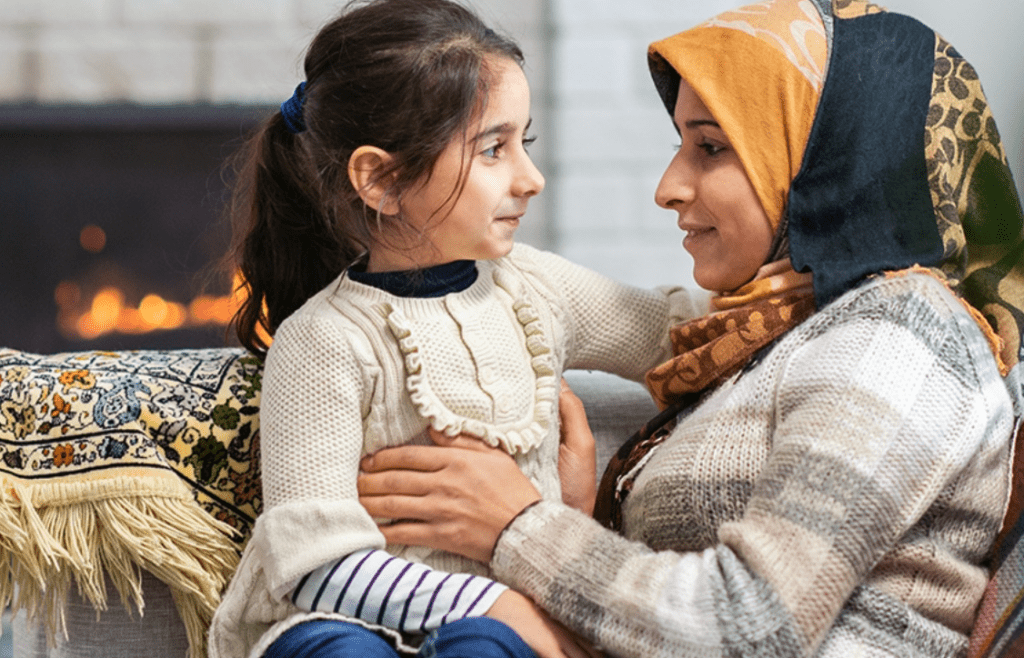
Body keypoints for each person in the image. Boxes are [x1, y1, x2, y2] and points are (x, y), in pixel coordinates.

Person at [357, 0, 1024, 656]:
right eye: (681, 144)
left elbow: (753, 625)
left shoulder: (899, 336)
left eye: (711, 147)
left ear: (827, 158)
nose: (669, 186)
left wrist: (518, 526)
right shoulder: (766, 334)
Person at [206, 0, 703, 657]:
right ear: (381, 178)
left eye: (523, 143)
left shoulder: (538, 289)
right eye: (493, 149)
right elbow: (313, 563)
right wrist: (495, 600)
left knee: (482, 648)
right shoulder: (322, 340)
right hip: (345, 619)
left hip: (494, 636)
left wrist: (815, 289)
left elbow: (682, 337)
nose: (532, 178)